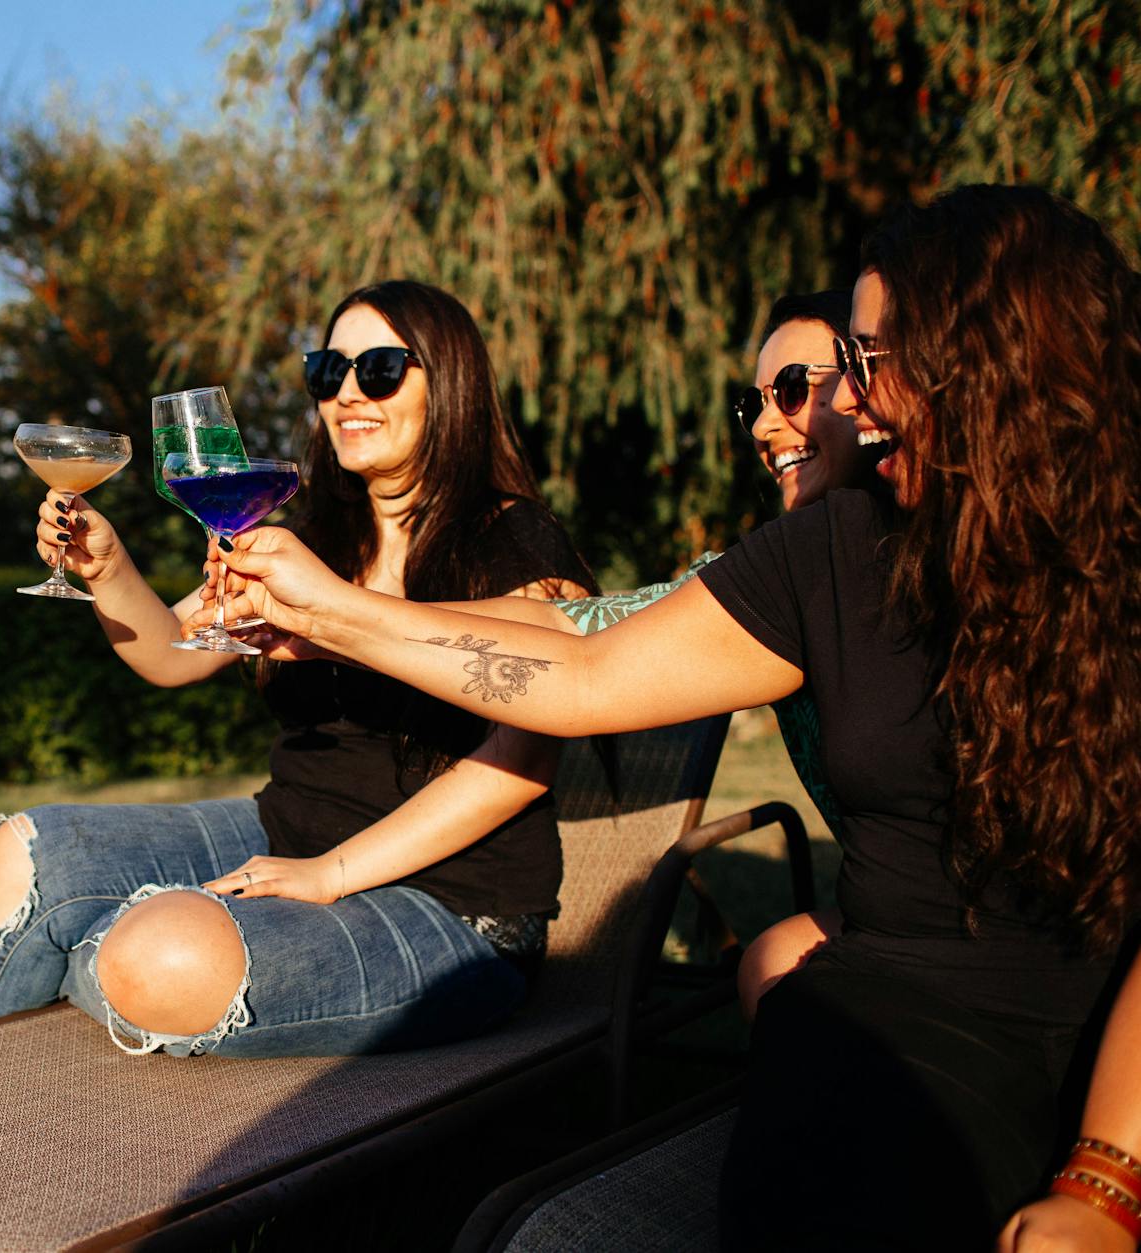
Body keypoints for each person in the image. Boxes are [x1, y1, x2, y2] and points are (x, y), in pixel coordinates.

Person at [214, 186, 1140, 1246]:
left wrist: (1105, 1178)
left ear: (992, 359)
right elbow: (580, 672)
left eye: (871, 361)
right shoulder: (833, 551)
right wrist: (333, 607)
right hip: (896, 1022)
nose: (851, 401)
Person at [0, 279, 594, 1057]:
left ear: (450, 379)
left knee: (155, 955)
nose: (348, 393)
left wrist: (331, 873)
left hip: (452, 904)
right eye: (329, 371)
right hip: (284, 830)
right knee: (16, 862)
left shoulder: (516, 541)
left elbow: (516, 767)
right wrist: (107, 565)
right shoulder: (315, 534)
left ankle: (79, 990)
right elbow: (170, 654)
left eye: (381, 370)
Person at [404, 289, 873, 1018]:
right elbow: (573, 627)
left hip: (996, 918)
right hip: (892, 914)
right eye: (753, 406)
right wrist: (343, 618)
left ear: (873, 382)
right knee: (775, 969)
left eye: (792, 389)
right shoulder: (773, 573)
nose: (766, 425)